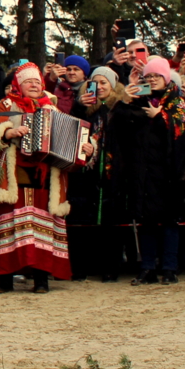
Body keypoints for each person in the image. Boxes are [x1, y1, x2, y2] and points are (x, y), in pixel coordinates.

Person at [0, 63, 87, 294]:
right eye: (28, 82)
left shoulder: (52, 108)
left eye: (37, 82)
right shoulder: (7, 104)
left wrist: (86, 148)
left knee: (43, 225)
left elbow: (69, 137)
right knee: (9, 221)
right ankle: (5, 279)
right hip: (13, 174)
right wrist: (7, 132)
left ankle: (41, 279)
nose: (33, 85)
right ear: (19, 84)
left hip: (44, 175)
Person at [109, 57, 185, 286]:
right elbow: (117, 124)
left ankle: (169, 268)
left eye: (156, 76)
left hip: (168, 173)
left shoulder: (176, 101)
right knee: (145, 222)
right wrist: (125, 99)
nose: (152, 80)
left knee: (168, 221)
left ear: (166, 78)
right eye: (148, 76)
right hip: (141, 172)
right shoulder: (138, 100)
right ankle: (147, 268)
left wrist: (161, 117)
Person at [69, 66, 124, 282]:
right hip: (84, 174)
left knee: (111, 221)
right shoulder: (83, 107)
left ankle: (110, 267)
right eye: (95, 83)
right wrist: (79, 107)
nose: (99, 87)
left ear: (112, 86)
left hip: (112, 171)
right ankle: (81, 266)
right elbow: (71, 129)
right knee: (82, 220)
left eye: (104, 83)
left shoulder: (118, 108)